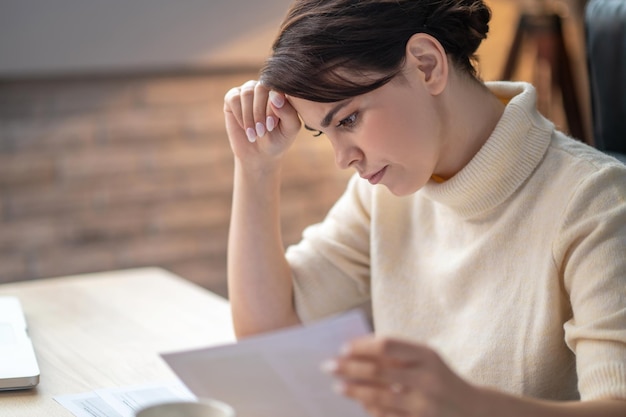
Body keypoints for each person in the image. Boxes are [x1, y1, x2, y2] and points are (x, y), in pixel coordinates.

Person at [222, 0, 626, 415]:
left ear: (426, 64)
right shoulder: (382, 195)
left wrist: (468, 405)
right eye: (322, 132)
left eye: (347, 120)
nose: (343, 158)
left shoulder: (595, 202)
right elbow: (268, 335)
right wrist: (255, 167)